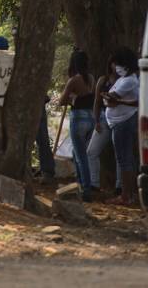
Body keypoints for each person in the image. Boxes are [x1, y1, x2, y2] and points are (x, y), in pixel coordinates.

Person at [57, 49, 95, 201]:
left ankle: (86, 189)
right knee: (76, 153)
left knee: (81, 156)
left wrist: (72, 97)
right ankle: (80, 184)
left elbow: (61, 101)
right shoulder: (91, 78)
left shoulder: (74, 80)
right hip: (90, 118)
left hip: (78, 118)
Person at [104, 47, 140, 205]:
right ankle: (130, 194)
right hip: (119, 122)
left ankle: (126, 196)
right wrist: (109, 99)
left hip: (123, 122)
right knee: (127, 159)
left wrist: (110, 99)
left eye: (116, 64)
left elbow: (111, 99)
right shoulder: (123, 79)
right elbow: (109, 100)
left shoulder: (129, 80)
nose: (114, 67)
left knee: (124, 159)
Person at [87, 57, 121, 194]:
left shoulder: (125, 81)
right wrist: (96, 121)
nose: (116, 66)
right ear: (110, 64)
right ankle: (94, 184)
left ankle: (120, 186)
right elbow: (96, 101)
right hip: (103, 119)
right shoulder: (103, 80)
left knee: (120, 154)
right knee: (91, 151)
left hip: (119, 119)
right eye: (114, 63)